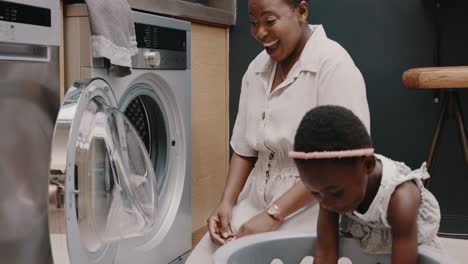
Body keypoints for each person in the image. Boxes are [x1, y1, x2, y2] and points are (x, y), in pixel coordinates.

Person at [186, 0, 370, 261]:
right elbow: (245, 149)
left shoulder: (334, 66)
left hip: (316, 205)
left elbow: (339, 162)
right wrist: (226, 203)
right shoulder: (256, 69)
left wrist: (273, 215)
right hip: (254, 199)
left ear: (302, 12)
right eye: (253, 22)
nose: (260, 33)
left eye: (269, 21)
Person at [289, 105, 441, 264]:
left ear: (368, 165)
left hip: (413, 254)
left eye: (335, 193)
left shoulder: (401, 199)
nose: (326, 203)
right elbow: (325, 253)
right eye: (315, 193)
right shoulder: (329, 192)